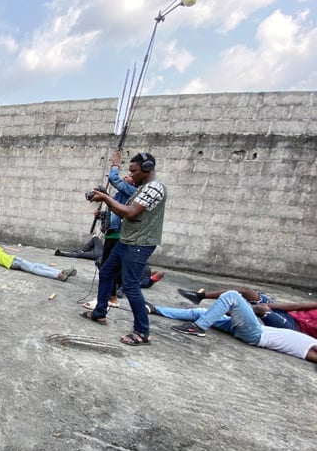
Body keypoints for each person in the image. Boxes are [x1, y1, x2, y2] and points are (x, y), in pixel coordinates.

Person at [79, 152, 167, 346]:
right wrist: (105, 204)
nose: (132, 174)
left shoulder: (154, 187)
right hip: (126, 241)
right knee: (106, 271)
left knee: (130, 285)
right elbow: (122, 211)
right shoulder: (142, 188)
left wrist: (105, 197)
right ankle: (100, 312)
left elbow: (131, 212)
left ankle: (142, 332)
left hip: (139, 244)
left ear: (147, 168)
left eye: (134, 171)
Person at [147, 291, 317, 363]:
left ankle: (198, 327)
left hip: (256, 334)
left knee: (232, 296)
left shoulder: (310, 349)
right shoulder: (311, 344)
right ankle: (155, 309)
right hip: (254, 330)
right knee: (202, 312)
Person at [174, 286, 317, 337]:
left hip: (294, 329)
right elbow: (299, 306)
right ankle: (199, 296)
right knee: (247, 291)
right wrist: (272, 305)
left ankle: (211, 316)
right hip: (290, 315)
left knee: (261, 309)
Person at [0, 244, 77, 281]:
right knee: (33, 269)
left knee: (38, 265)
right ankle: (58, 275)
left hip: (11, 264)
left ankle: (62, 272)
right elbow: (2, 250)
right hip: (13, 260)